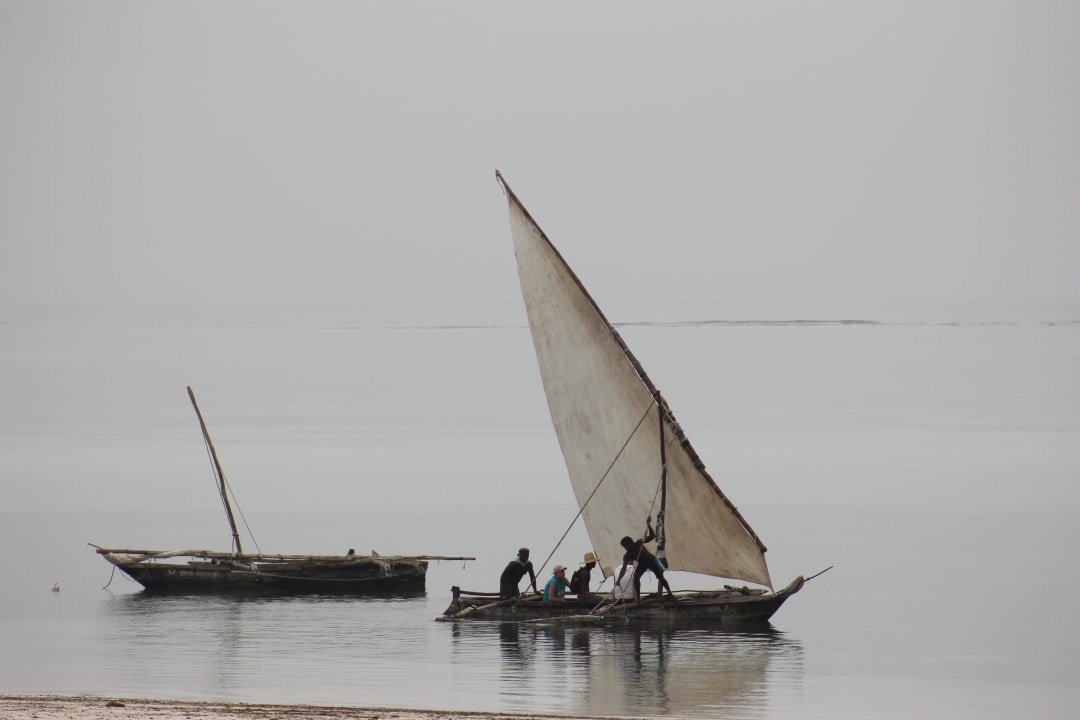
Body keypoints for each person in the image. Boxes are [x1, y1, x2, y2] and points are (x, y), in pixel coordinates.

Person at [617, 517, 675, 602]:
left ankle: (670, 593)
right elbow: (623, 569)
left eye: (626, 545)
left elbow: (652, 536)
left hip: (651, 561)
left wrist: (648, 525)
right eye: (624, 547)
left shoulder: (639, 543)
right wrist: (618, 580)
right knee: (635, 577)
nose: (625, 548)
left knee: (660, 577)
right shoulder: (627, 556)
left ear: (630, 543)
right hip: (642, 564)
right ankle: (638, 599)